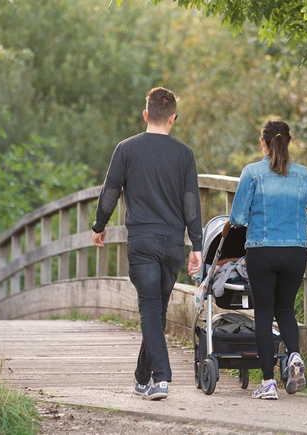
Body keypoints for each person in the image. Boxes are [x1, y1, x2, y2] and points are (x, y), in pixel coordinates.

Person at [91, 87, 203, 401]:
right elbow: (191, 202)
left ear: (145, 115)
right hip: (171, 245)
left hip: (142, 241)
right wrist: (197, 244)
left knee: (152, 309)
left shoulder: (126, 149)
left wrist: (99, 227)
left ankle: (161, 377)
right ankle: (142, 378)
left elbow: (110, 192)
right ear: (173, 119)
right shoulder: (184, 154)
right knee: (155, 309)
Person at [229, 120, 307, 400]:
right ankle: (294, 356)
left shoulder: (252, 173)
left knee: (263, 313)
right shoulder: (304, 175)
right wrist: (300, 222)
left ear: (263, 143)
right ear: (288, 141)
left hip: (262, 250)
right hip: (295, 251)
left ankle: (267, 383)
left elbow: (237, 217)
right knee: (285, 309)